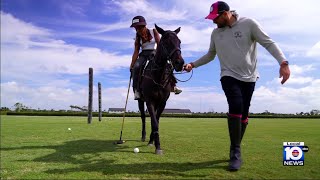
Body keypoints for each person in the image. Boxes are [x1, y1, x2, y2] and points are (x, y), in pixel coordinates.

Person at [184, 1, 290, 171]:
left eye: (215, 17)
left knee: (244, 113)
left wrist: (283, 62)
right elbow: (211, 55)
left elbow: (268, 43)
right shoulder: (215, 34)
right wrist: (193, 64)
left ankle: (235, 146)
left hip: (249, 77)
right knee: (236, 105)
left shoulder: (249, 24)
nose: (213, 21)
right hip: (228, 75)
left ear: (226, 14)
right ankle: (236, 152)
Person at [130, 15, 182, 100]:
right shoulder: (137, 36)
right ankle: (136, 90)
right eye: (136, 28)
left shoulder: (153, 31)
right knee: (137, 67)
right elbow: (136, 51)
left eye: (139, 27)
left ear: (144, 26)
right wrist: (132, 64)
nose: (137, 29)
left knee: (168, 64)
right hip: (143, 54)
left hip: (155, 52)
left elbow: (159, 43)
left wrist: (158, 54)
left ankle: (173, 85)